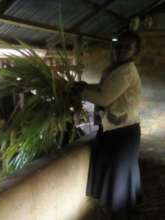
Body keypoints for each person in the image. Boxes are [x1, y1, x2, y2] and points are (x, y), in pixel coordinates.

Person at [74, 31, 142, 219]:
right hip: (117, 129)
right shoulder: (117, 69)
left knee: (117, 172)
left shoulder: (126, 71)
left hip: (122, 132)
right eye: (118, 46)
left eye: (127, 47)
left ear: (135, 52)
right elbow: (105, 88)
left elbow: (104, 98)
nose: (121, 50)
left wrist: (80, 91)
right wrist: (86, 86)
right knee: (116, 171)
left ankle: (117, 212)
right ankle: (119, 210)